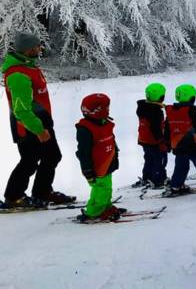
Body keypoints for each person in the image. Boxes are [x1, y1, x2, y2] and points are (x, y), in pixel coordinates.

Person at [2, 32, 72, 208]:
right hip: (27, 125)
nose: (40, 48)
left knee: (52, 156)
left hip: (41, 122)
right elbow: (21, 109)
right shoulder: (18, 74)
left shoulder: (29, 67)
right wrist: (38, 130)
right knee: (29, 161)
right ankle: (13, 197)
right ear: (27, 50)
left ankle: (42, 191)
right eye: (36, 46)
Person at [75, 94, 126, 222]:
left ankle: (105, 207)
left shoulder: (104, 123)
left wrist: (115, 156)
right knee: (100, 190)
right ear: (97, 111)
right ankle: (94, 212)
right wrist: (87, 170)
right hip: (96, 168)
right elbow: (83, 152)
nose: (108, 110)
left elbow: (111, 140)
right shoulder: (85, 129)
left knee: (107, 188)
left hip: (107, 163)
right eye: (106, 108)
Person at [135, 82, 169, 188]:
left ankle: (147, 177)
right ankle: (158, 180)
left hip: (144, 140)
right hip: (154, 141)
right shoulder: (155, 111)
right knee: (160, 160)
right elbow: (156, 128)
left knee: (149, 159)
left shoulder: (143, 107)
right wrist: (161, 141)